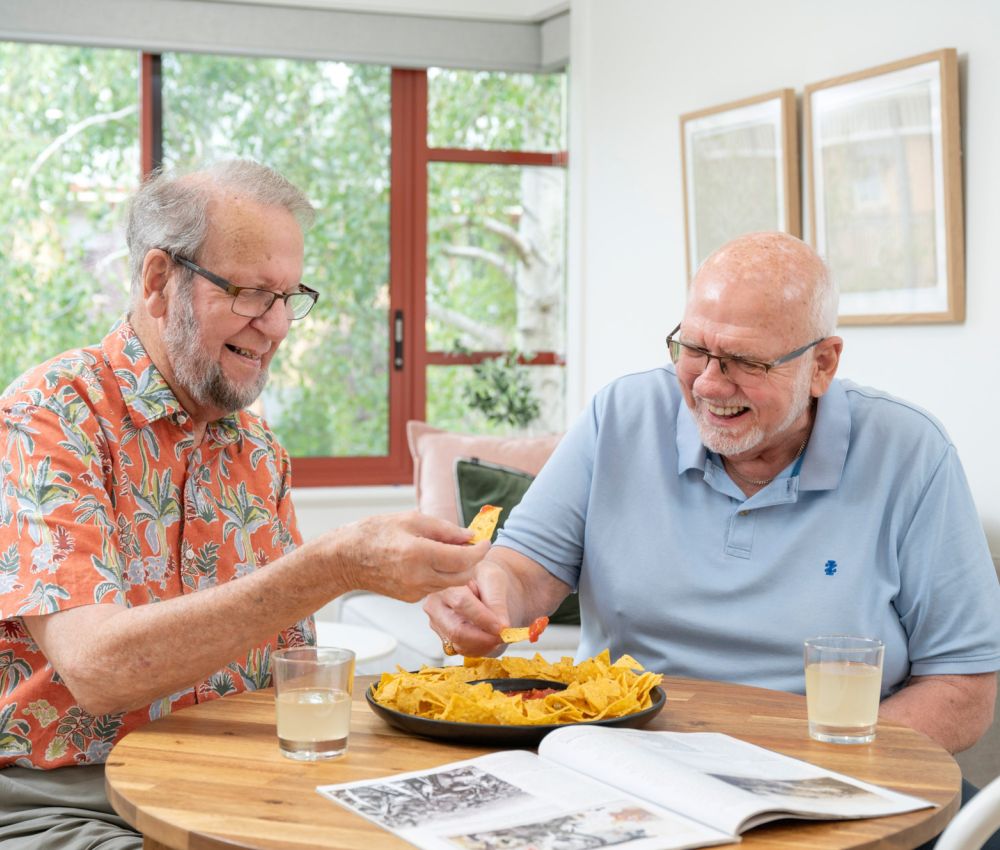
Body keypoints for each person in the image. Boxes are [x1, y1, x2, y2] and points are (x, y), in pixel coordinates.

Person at [0, 159, 487, 848]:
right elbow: (98, 670)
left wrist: (431, 592)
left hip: (233, 784)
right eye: (254, 294)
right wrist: (336, 565)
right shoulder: (48, 418)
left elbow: (288, 676)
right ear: (159, 281)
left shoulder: (259, 452)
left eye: (289, 297)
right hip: (76, 799)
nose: (278, 326)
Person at [425, 231, 1000, 760]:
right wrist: (487, 602)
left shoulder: (911, 453)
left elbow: (964, 688)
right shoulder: (619, 416)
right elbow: (524, 571)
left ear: (822, 365)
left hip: (830, 766)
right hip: (624, 755)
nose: (707, 383)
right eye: (694, 348)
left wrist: (811, 764)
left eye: (746, 362)